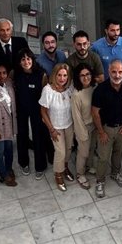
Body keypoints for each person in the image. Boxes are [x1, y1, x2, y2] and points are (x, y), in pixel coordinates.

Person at [91, 59, 122, 199]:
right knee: (103, 157)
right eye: (114, 72)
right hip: (106, 129)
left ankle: (115, 173)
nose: (117, 75)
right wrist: (101, 132)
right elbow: (95, 112)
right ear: (108, 72)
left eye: (120, 72)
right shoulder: (100, 89)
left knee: (118, 153)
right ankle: (100, 181)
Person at [13, 48, 49, 179]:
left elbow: (46, 94)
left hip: (37, 108)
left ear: (33, 60)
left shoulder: (41, 74)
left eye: (28, 58)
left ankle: (40, 166)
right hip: (21, 109)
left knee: (38, 136)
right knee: (21, 136)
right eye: (23, 59)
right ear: (19, 62)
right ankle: (24, 163)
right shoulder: (15, 74)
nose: (26, 61)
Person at [39, 63, 75, 192]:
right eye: (59, 75)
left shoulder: (69, 88)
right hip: (56, 127)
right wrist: (51, 130)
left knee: (69, 148)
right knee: (60, 152)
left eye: (65, 75)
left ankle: (65, 167)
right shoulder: (48, 90)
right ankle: (58, 174)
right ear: (54, 75)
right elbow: (43, 111)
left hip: (69, 124)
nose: (62, 78)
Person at [71, 63, 96, 190]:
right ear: (78, 77)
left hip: (94, 125)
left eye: (88, 74)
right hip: (83, 127)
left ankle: (88, 166)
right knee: (83, 152)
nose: (86, 78)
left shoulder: (94, 87)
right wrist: (82, 133)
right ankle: (80, 174)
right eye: (82, 75)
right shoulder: (76, 94)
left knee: (92, 149)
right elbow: (76, 117)